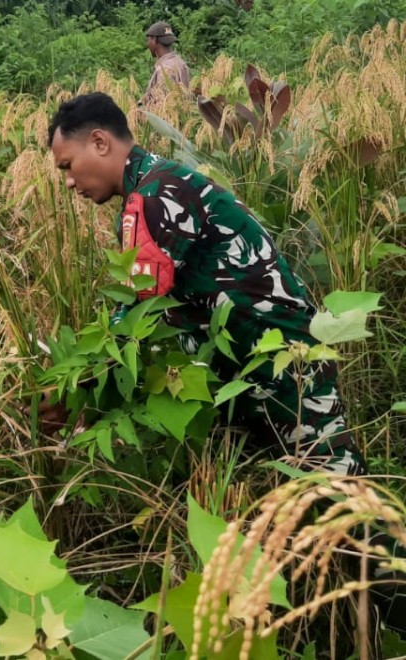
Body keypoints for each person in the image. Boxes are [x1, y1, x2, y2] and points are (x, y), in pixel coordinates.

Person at [45, 92, 364, 476]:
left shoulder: (155, 197)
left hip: (278, 361)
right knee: (302, 493)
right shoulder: (163, 181)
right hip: (262, 357)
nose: (67, 181)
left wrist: (70, 390)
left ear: (99, 142)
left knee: (339, 491)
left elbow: (137, 314)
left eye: (67, 165)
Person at [140, 21, 191, 107]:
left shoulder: (164, 70)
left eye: (148, 40)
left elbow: (163, 104)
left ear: (154, 40)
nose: (147, 44)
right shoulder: (180, 62)